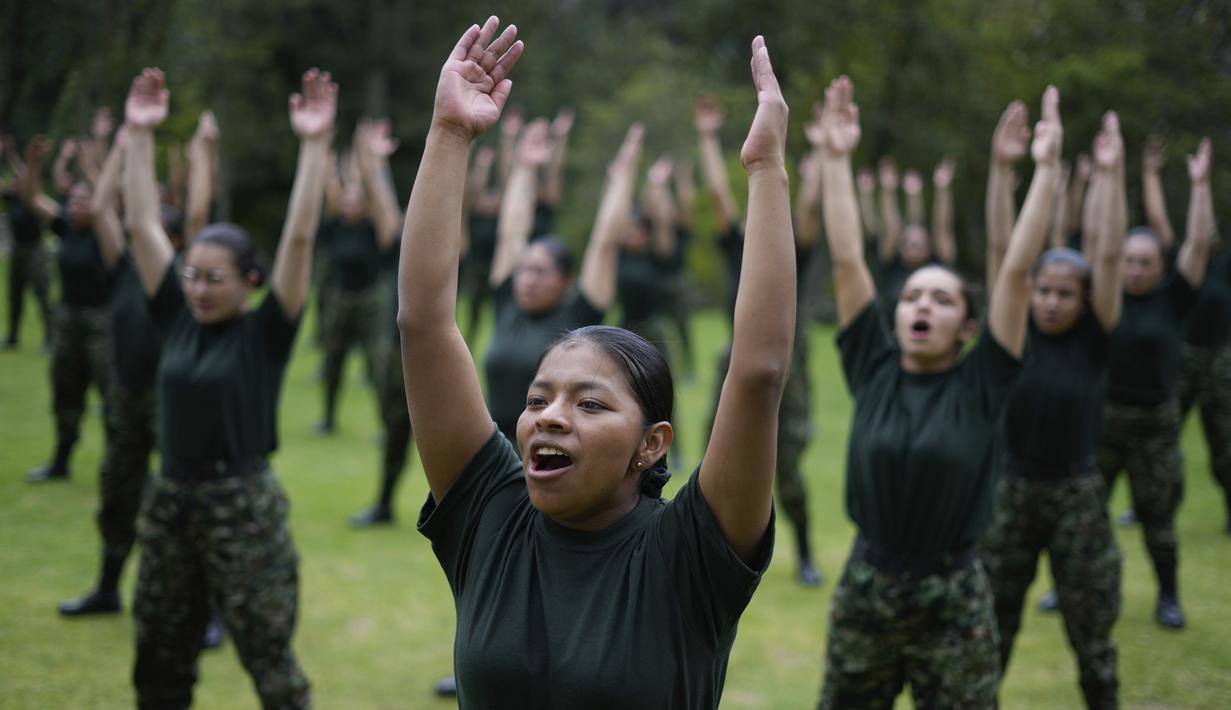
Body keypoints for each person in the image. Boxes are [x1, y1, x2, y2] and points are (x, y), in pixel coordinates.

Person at [398, 20, 792, 707]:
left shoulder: (689, 554)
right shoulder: (491, 514)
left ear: (651, 445)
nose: (549, 417)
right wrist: (448, 136)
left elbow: (757, 372)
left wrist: (765, 171)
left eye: (588, 404)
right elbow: (423, 327)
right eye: (537, 399)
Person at [815, 79, 1060, 708]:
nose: (921, 305)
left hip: (953, 597)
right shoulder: (873, 368)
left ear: (969, 327)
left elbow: (1016, 270)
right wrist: (838, 160)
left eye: (942, 298)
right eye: (913, 296)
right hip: (868, 583)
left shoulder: (984, 381)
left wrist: (1045, 170)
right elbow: (848, 260)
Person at [121, 66, 333, 707]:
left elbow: (299, 238)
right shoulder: (176, 318)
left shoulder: (265, 332)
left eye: (216, 279)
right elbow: (137, 226)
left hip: (241, 507)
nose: (199, 288)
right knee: (159, 656)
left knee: (269, 661)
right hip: (170, 500)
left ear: (250, 282)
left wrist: (316, 147)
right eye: (192, 275)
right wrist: (137, 134)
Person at [980, 109, 1127, 709]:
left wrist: (1111, 178)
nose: (1050, 301)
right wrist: (1000, 170)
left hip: (1076, 495)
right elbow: (999, 248)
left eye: (1065, 294)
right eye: (1043, 290)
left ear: (1086, 300)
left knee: (1091, 631)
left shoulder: (1095, 340)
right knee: (992, 625)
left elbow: (1110, 254)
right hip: (1011, 490)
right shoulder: (1014, 333)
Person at [697, 88, 822, 586]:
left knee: (786, 470)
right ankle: (709, 554)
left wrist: (815, 169)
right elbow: (719, 197)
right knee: (716, 456)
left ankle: (807, 554)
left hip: (787, 367)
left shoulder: (796, 248)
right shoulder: (737, 247)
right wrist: (707, 138)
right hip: (736, 361)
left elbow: (809, 213)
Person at [1096, 137, 1214, 629]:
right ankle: (1068, 588)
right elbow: (1103, 237)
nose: (1135, 268)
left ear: (1160, 267)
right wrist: (1109, 174)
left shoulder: (1174, 299)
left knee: (1157, 519)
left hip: (1155, 427)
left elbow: (1200, 242)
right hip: (1103, 424)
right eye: (1128, 259)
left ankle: (1168, 597)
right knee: (1085, 518)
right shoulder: (1103, 299)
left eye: (1145, 261)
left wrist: (1201, 185)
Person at [481, 116, 627, 444]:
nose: (528, 280)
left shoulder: (580, 316)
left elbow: (604, 243)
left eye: (540, 271)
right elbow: (511, 233)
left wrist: (621, 179)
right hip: (492, 446)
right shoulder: (508, 302)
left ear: (565, 280)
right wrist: (526, 168)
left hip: (549, 448)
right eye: (524, 270)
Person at [1143, 135, 1231, 535]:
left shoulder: (1225, 266)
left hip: (1219, 361)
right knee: (1161, 438)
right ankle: (1152, 504)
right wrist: (1150, 174)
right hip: (1181, 358)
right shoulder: (1182, 266)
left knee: (1224, 441)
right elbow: (1161, 223)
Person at [19, 135, 116, 483]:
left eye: (84, 200)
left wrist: (94, 163)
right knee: (65, 392)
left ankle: (120, 463)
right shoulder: (66, 228)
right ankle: (61, 461)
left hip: (103, 322)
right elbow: (31, 198)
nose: (75, 205)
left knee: (111, 398)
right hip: (68, 319)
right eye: (72, 200)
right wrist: (33, 164)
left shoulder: (108, 234)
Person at [314, 119, 400, 435]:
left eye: (356, 201)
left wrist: (369, 159)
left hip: (371, 301)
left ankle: (385, 425)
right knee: (333, 363)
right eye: (347, 201)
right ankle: (327, 418)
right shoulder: (336, 226)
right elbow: (330, 187)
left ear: (366, 206)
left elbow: (380, 196)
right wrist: (322, 148)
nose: (349, 204)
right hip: (340, 298)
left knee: (378, 368)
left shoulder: (375, 229)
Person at [2, 135, 54, 350]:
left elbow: (28, 175)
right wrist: (7, 153)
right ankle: (13, 337)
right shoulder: (12, 198)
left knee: (42, 295)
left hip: (36, 251)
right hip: (18, 251)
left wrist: (15, 156)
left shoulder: (33, 201)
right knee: (15, 296)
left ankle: (50, 339)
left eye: (19, 179)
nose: (16, 182)